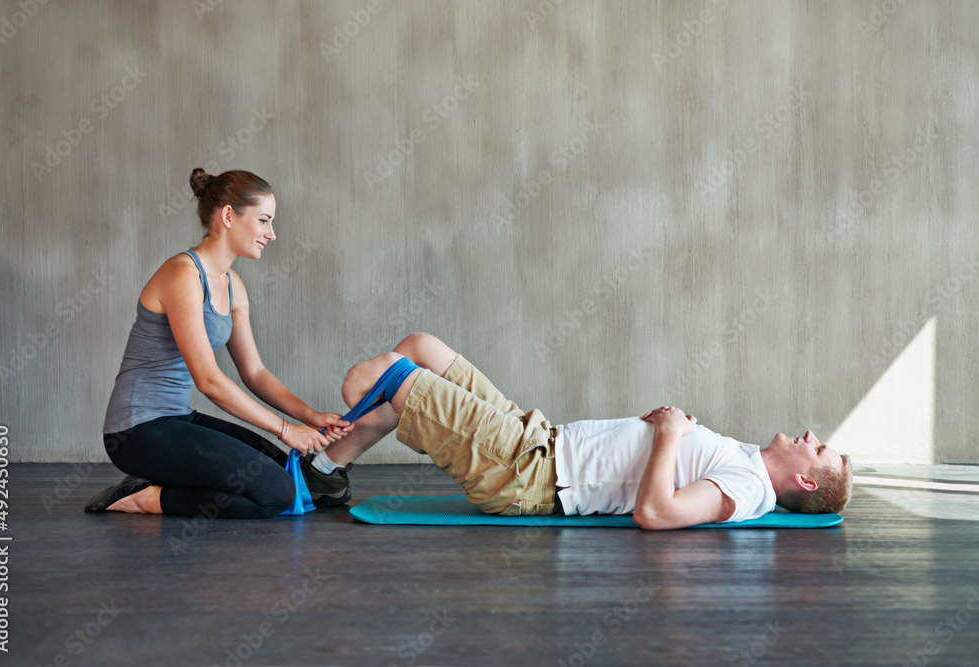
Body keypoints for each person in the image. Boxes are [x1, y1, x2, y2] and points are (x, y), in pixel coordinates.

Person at [318, 333, 853, 529]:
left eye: (819, 449)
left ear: (806, 483)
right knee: (422, 348)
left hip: (527, 472)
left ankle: (311, 442)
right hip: (538, 438)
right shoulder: (748, 463)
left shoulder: (750, 489)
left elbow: (656, 514)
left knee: (382, 377)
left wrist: (669, 432)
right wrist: (673, 428)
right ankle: (325, 472)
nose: (810, 435)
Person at [85, 169, 353, 518]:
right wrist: (286, 431)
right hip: (137, 431)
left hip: (178, 419)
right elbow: (208, 380)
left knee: (290, 473)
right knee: (276, 493)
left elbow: (254, 372)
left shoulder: (232, 285)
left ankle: (164, 482)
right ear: (229, 215)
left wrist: (309, 416)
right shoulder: (183, 275)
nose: (271, 234)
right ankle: (141, 498)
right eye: (264, 220)